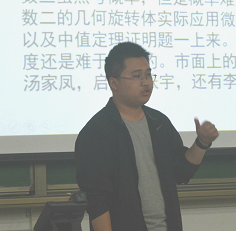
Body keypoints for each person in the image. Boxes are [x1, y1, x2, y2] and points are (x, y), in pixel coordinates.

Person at [75, 42, 219, 231]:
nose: (145, 82)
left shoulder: (159, 122)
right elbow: (97, 201)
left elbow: (181, 172)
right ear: (114, 83)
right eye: (136, 76)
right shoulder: (96, 132)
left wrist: (202, 143)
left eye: (148, 75)